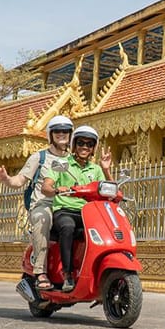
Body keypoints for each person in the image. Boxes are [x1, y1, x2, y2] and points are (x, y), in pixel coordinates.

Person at [0, 115, 73, 291]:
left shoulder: (74, 159)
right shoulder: (39, 158)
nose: (62, 134)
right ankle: (40, 271)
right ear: (51, 134)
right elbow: (18, 181)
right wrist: (5, 178)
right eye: (57, 131)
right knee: (43, 219)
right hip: (44, 205)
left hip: (67, 205)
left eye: (65, 131)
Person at [42, 125, 112, 292]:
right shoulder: (62, 164)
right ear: (74, 145)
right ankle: (67, 274)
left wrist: (106, 169)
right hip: (65, 210)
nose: (84, 147)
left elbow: (109, 189)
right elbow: (46, 187)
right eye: (81, 143)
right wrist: (57, 189)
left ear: (93, 148)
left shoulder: (95, 169)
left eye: (89, 144)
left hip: (88, 213)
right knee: (68, 227)